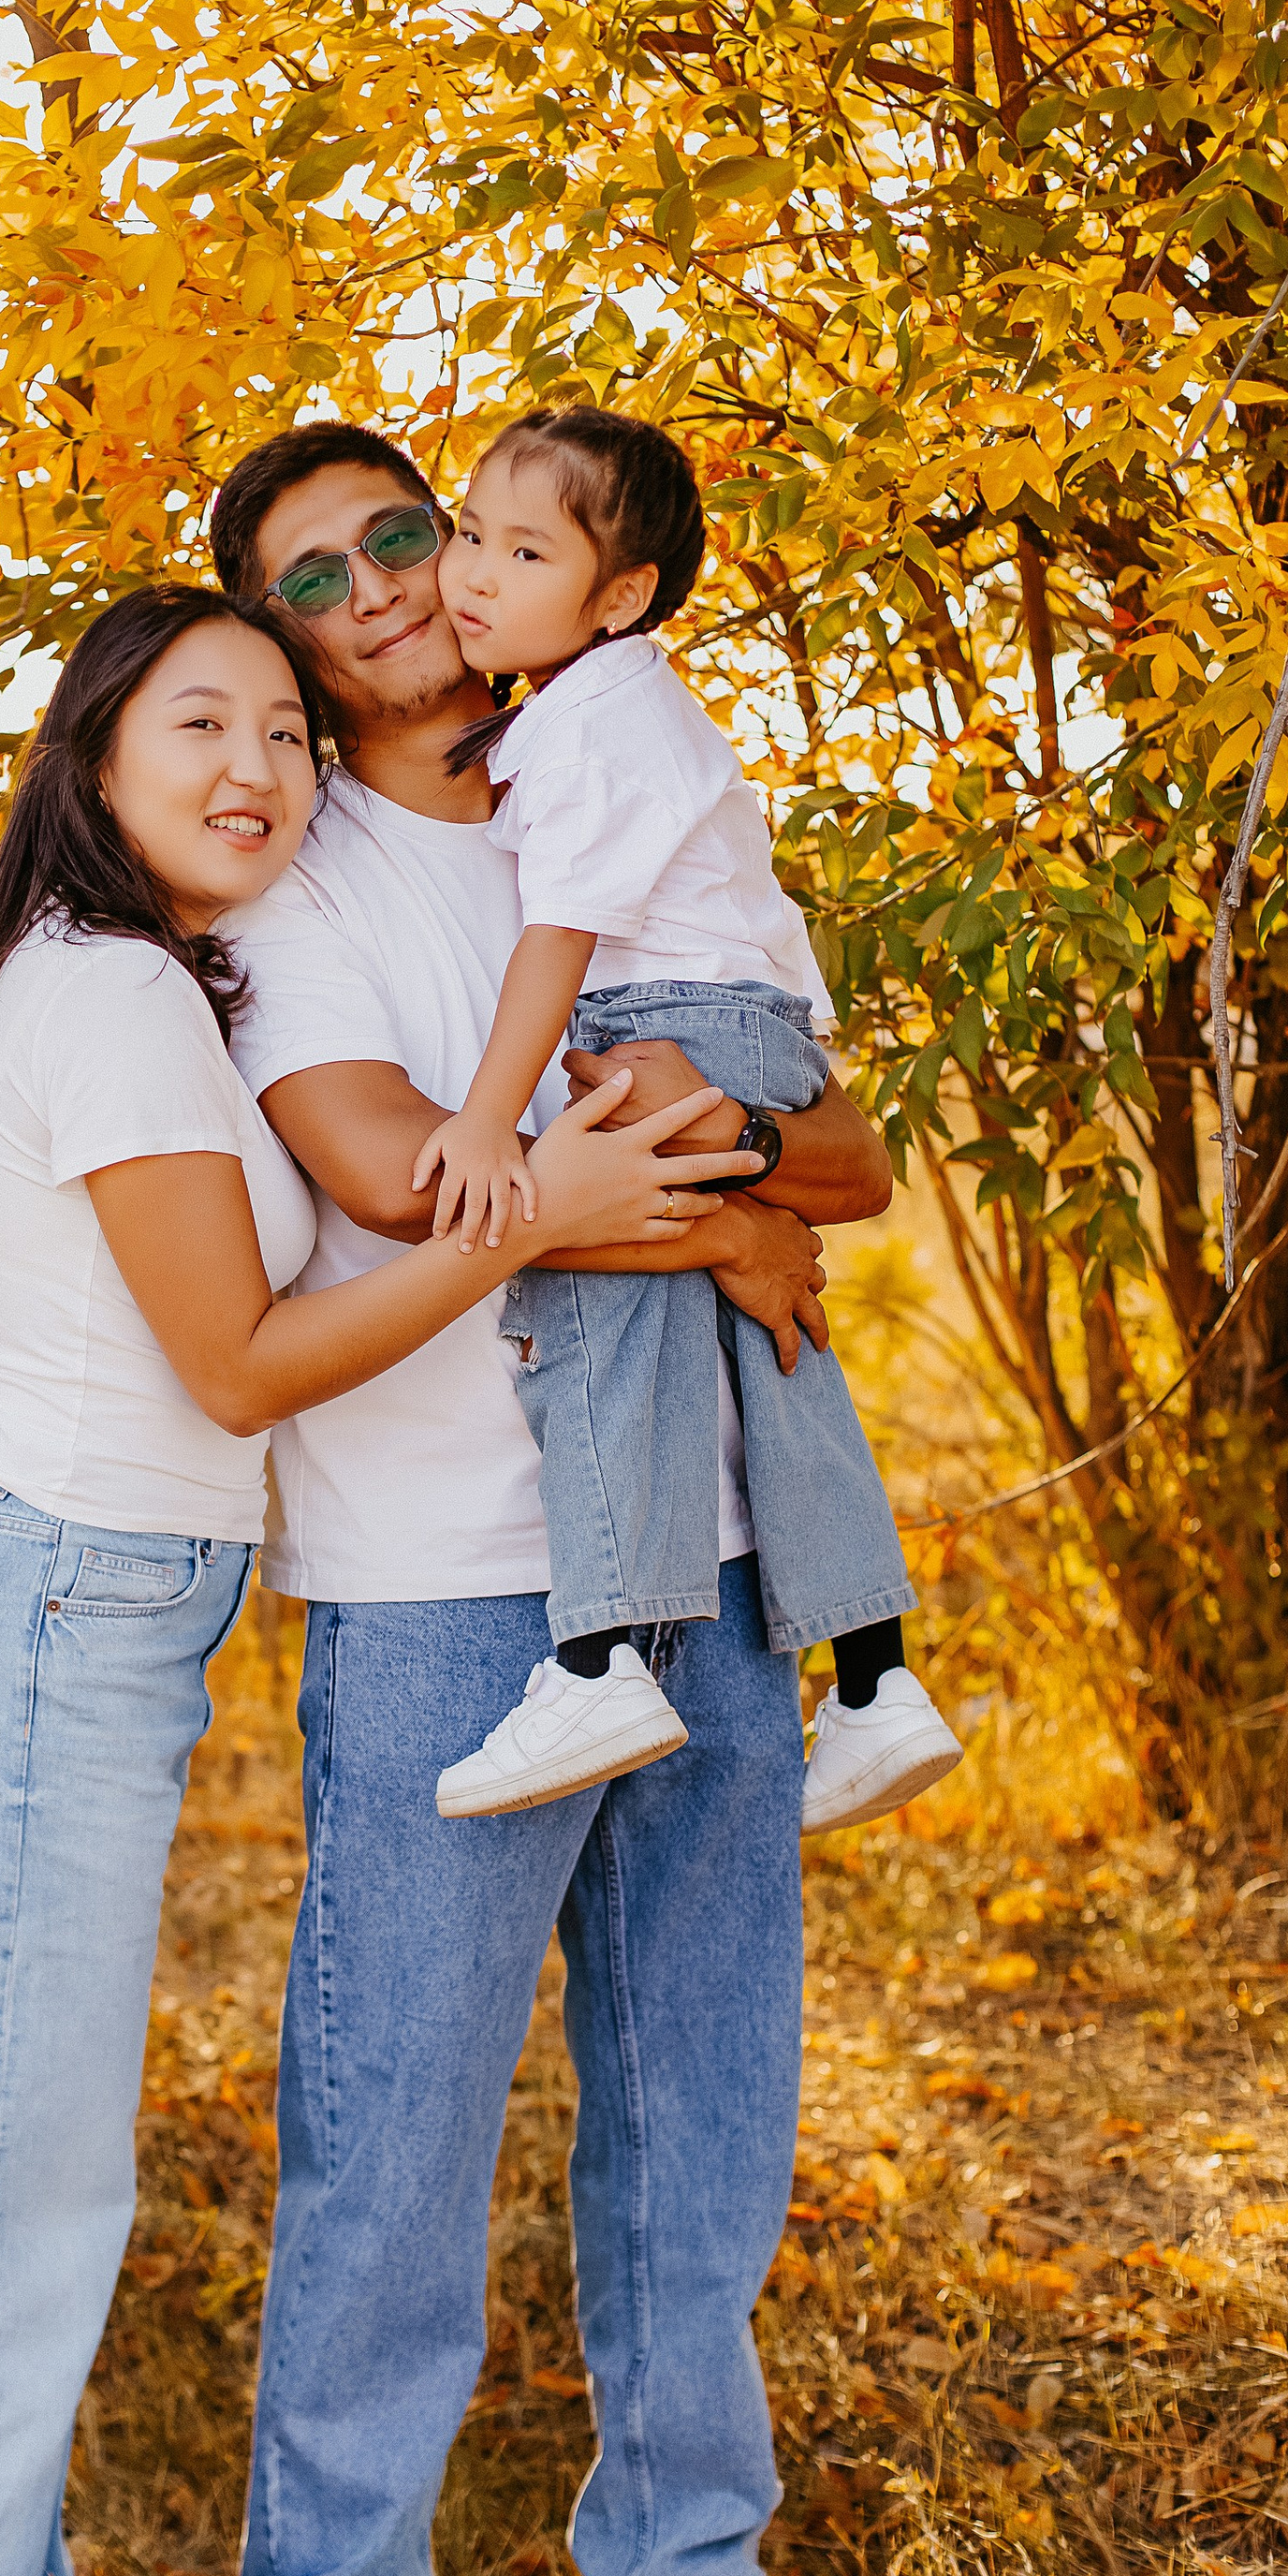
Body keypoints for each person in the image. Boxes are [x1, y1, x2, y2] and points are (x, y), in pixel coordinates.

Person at [0, 581, 742, 2576]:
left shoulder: (155, 991)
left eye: (287, 731)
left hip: (91, 1614)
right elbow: (243, 1366)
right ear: (89, 761)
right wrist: (539, 1220)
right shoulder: (103, 996)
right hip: (43, 1614)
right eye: (198, 720)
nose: (259, 765)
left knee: (25, 2182)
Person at [196, 423, 896, 2576]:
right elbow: (410, 1180)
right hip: (440, 1594)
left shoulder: (626, 766)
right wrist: (714, 1218)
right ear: (284, 642)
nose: (384, 584)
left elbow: (848, 1148)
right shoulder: (283, 888)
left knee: (704, 2121)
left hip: (693, 1567)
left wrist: (704, 1186)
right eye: (320, 577)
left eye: (409, 529)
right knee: (387, 2140)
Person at [416, 405, 964, 1835]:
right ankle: (874, 1677)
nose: (471, 572)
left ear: (621, 596)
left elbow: (560, 940)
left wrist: (488, 1123)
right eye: (469, 532)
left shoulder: (592, 729)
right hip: (742, 1021)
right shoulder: (614, 704)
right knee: (773, 1344)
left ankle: (603, 1657)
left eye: (523, 551)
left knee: (586, 1290)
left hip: (665, 1018)